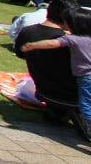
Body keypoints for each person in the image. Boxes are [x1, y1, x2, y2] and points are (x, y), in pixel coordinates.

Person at [21, 7, 91, 140]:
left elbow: (52, 43)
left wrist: (32, 45)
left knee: (86, 105)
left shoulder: (74, 39)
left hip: (86, 77)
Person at [15, 0, 79, 125]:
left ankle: (58, 112)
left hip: (44, 91)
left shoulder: (27, 32)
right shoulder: (67, 41)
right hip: (72, 95)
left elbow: (21, 54)